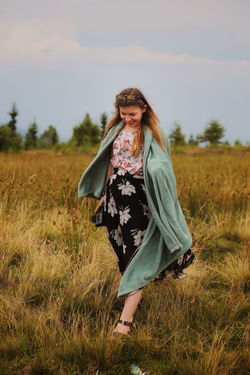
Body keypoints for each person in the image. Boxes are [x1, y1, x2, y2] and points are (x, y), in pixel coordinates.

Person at [78, 87, 195, 337]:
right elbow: (110, 161)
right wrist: (102, 195)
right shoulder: (115, 130)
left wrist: (154, 182)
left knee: (134, 254)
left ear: (144, 108)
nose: (128, 118)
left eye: (132, 113)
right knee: (121, 250)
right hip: (114, 198)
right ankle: (135, 294)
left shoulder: (154, 132)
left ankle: (125, 321)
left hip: (140, 200)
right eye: (123, 113)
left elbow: (163, 167)